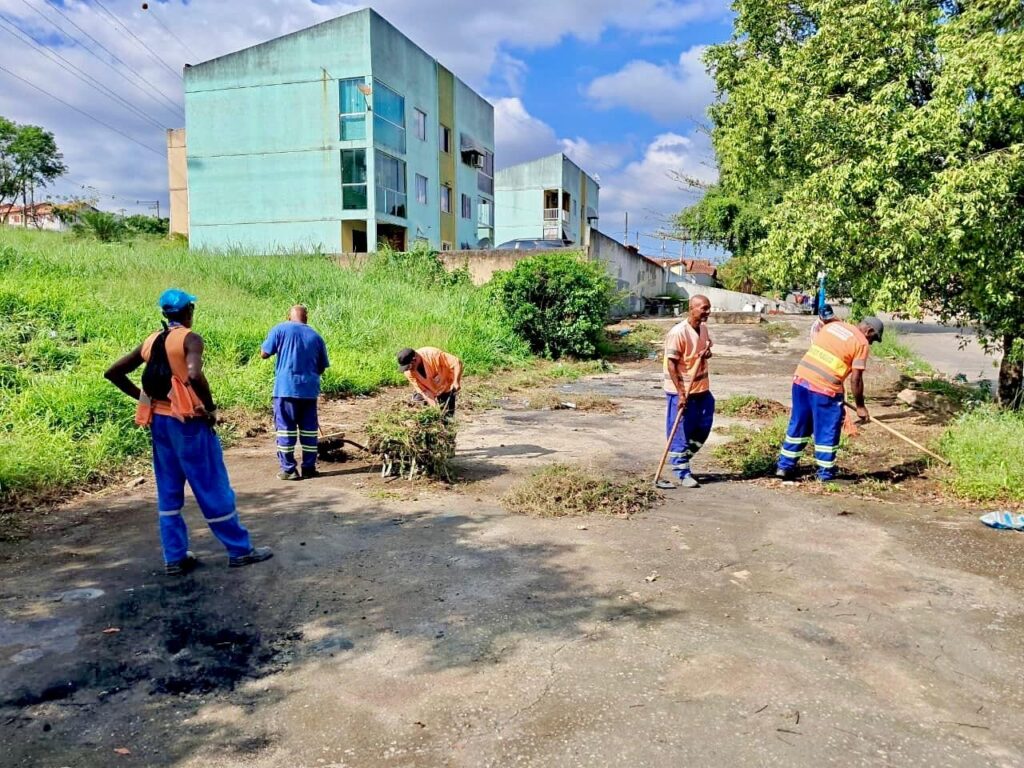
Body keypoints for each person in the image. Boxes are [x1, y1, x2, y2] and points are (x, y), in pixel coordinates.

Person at [104, 289, 273, 575]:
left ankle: (175, 557)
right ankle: (240, 550)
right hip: (188, 424)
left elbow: (113, 372)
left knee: (168, 490)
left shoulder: (151, 340)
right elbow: (193, 375)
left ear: (164, 314)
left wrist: (144, 398)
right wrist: (210, 407)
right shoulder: (190, 339)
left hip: (159, 423)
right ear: (188, 311)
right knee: (211, 485)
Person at [776, 316, 884, 482]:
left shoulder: (834, 326)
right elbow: (856, 379)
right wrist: (861, 407)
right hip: (825, 390)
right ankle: (826, 474)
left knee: (799, 424)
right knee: (827, 429)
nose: (870, 343)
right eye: (873, 339)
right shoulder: (860, 342)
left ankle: (784, 467)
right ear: (869, 331)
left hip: (801, 380)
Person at [260, 305, 330, 481]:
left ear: (288, 317)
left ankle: (289, 469)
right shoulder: (316, 337)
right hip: (309, 391)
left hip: (285, 389)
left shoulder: (280, 329)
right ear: (306, 318)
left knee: (285, 430)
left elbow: (264, 353)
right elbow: (321, 368)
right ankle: (309, 468)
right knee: (308, 431)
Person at [662, 295, 716, 488]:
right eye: (704, 308)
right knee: (679, 431)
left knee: (704, 422)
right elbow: (671, 364)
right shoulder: (678, 333)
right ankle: (681, 471)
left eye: (709, 308)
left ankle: (684, 456)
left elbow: (704, 349)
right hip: (681, 390)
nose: (708, 312)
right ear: (691, 308)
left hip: (701, 389)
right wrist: (681, 394)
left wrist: (707, 353)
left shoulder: (703, 328)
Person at [396, 346, 463, 418]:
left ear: (414, 360)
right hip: (430, 389)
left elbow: (456, 363)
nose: (408, 370)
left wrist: (456, 381)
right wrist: (435, 409)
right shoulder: (408, 372)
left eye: (409, 367)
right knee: (420, 405)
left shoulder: (434, 355)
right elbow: (424, 391)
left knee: (448, 417)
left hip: (446, 385)